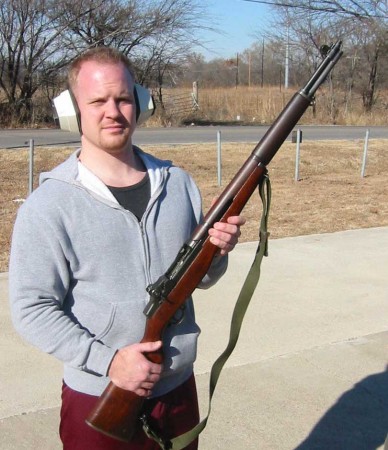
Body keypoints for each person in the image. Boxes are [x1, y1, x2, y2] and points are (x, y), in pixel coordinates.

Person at [9, 47, 245, 450]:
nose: (113, 112)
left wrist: (217, 254)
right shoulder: (49, 205)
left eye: (122, 98)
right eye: (97, 101)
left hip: (175, 389)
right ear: (72, 112)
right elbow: (32, 309)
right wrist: (109, 362)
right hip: (99, 395)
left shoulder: (178, 184)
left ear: (140, 102)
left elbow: (199, 279)